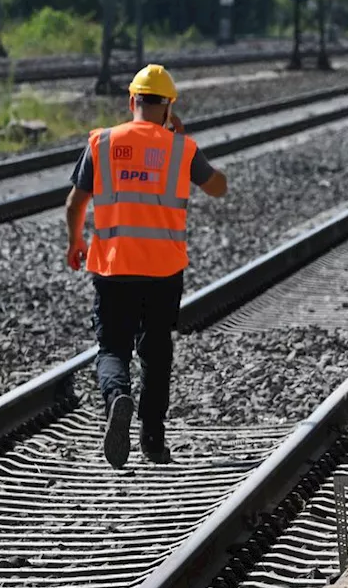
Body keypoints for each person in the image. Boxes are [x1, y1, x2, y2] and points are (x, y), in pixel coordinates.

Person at [65, 64, 229, 467]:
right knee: (156, 353)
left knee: (112, 347)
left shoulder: (103, 142)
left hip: (112, 266)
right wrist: (184, 139)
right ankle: (153, 442)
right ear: (169, 107)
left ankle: (118, 395)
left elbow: (74, 203)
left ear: (131, 101)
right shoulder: (181, 149)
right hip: (163, 270)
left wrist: (76, 242)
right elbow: (218, 188)